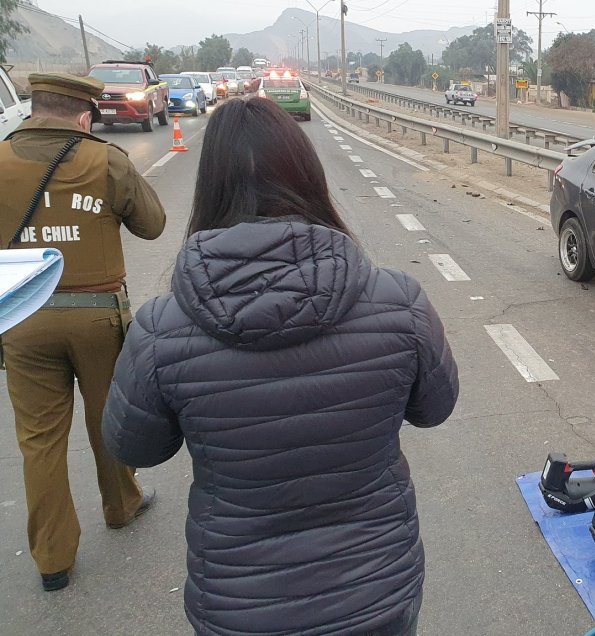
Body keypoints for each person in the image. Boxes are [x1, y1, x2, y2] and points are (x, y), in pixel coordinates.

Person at [101, 98, 459, 636]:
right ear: (310, 178)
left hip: (239, 606)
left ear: (210, 188)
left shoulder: (161, 329)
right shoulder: (397, 302)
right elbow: (434, 409)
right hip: (378, 592)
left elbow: (135, 448)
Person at [0, 73, 166, 592]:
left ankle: (52, 559)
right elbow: (153, 224)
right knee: (105, 419)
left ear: (34, 109)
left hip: (22, 318)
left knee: (39, 441)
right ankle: (121, 505)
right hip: (97, 315)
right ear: (82, 115)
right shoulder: (105, 158)